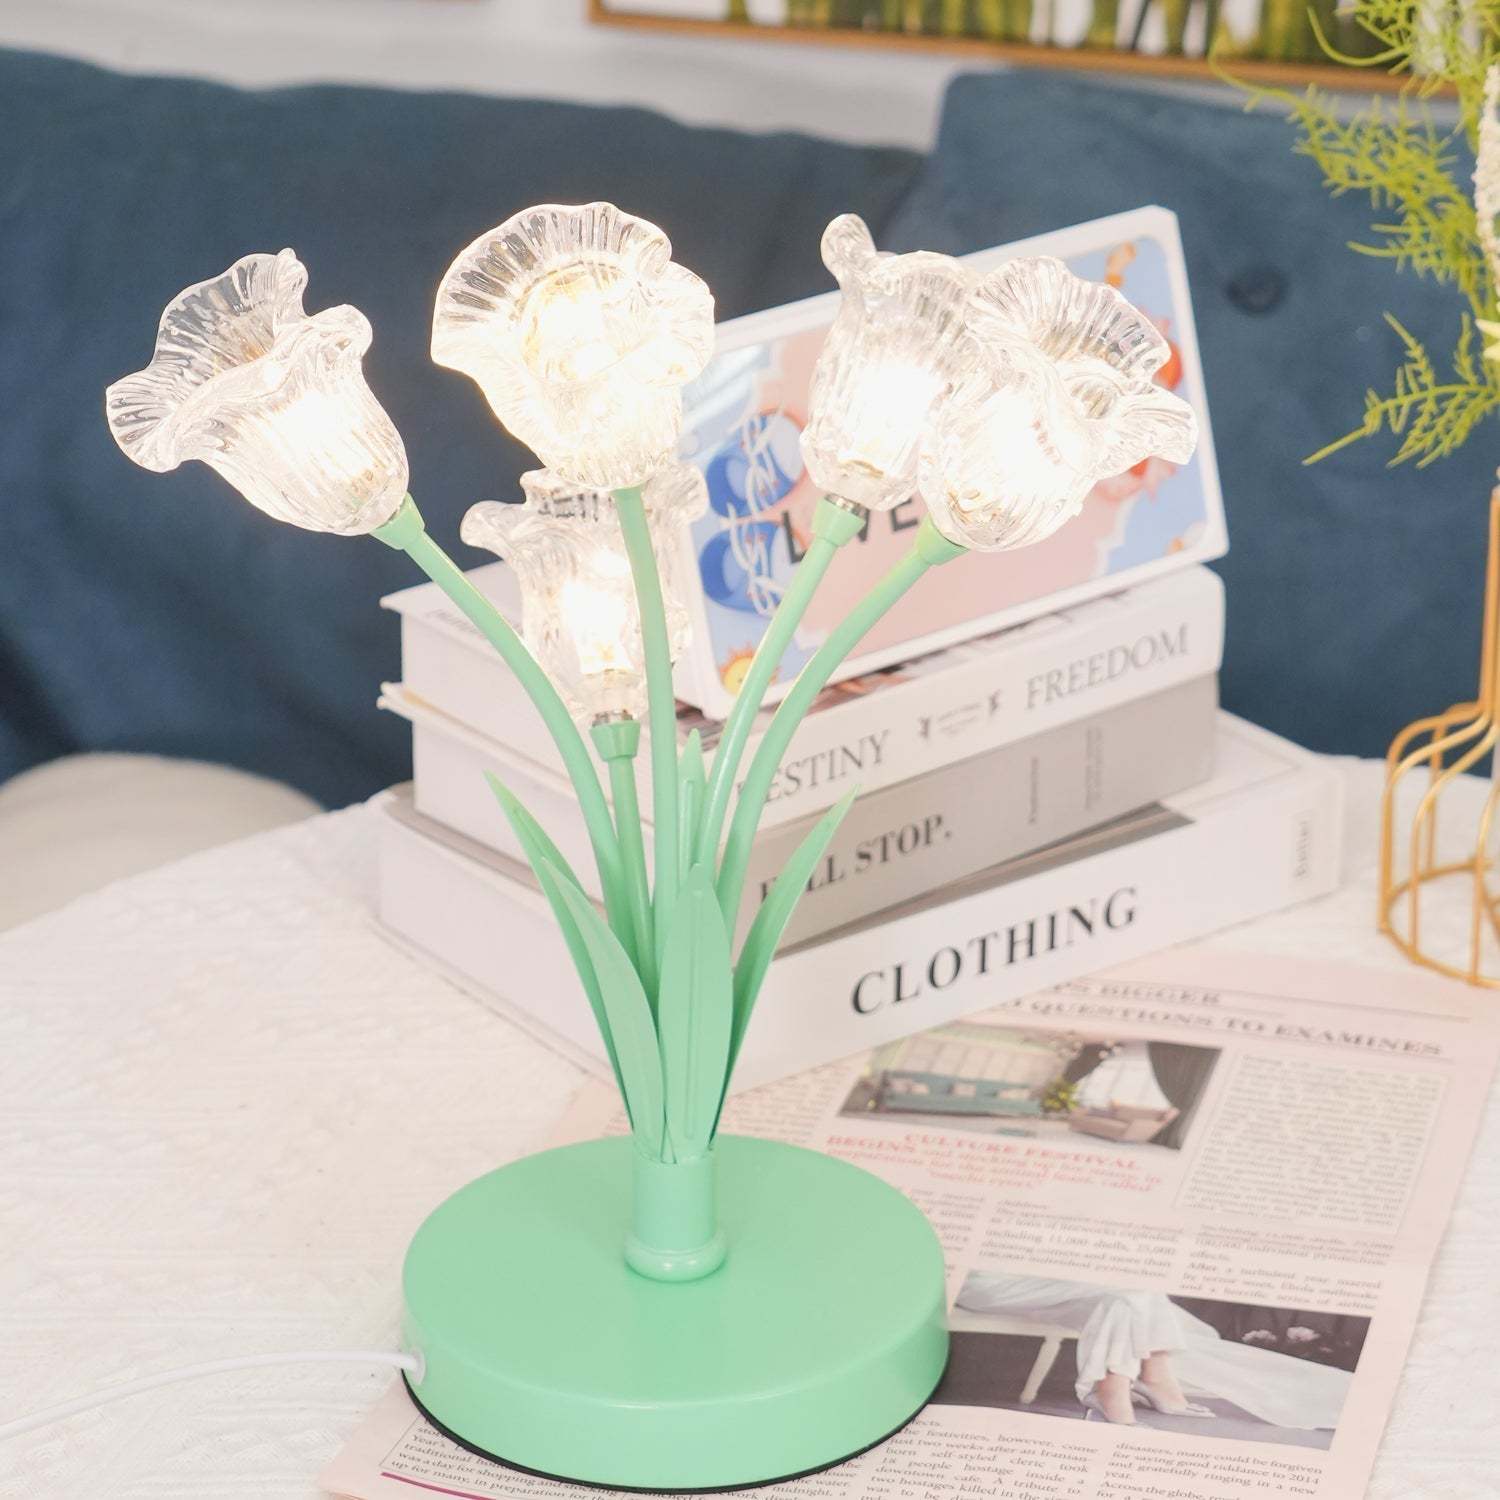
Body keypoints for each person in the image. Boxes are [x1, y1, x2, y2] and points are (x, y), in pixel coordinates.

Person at [956, 1274, 1351, 1428]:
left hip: (1052, 1275)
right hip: (983, 1279)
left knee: (1134, 1296)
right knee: (1137, 1291)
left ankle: (1130, 1380)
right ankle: (1139, 1379)